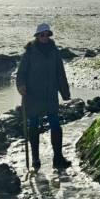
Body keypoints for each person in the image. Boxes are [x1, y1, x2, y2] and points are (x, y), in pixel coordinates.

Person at [16, 23, 72, 170]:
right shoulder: (29, 52)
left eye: (47, 34)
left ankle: (58, 158)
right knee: (33, 126)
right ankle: (35, 159)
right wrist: (21, 86)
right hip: (33, 96)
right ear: (37, 36)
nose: (45, 37)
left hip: (50, 95)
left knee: (56, 125)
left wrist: (65, 93)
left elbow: (60, 73)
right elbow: (21, 73)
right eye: (42, 34)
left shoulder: (54, 52)